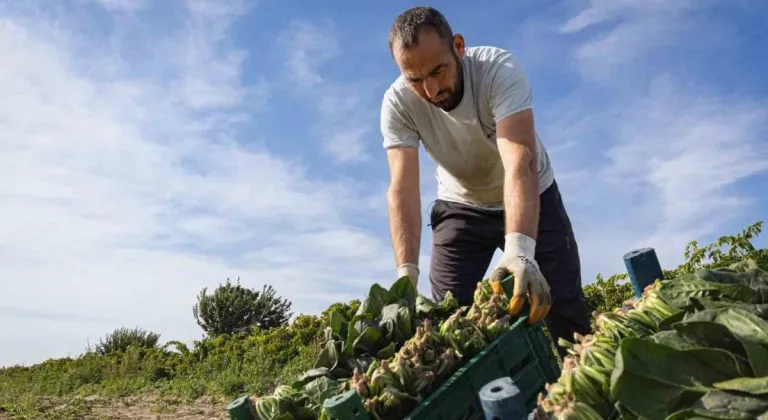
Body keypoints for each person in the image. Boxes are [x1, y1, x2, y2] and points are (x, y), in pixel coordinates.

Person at [379, 6, 592, 357]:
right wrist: (406, 273)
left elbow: (519, 158)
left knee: (566, 312)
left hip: (530, 193)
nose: (430, 90)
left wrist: (521, 252)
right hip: (461, 207)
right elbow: (402, 188)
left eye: (438, 71)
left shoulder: (497, 70)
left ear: (458, 47)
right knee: (448, 322)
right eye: (415, 80)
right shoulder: (397, 104)